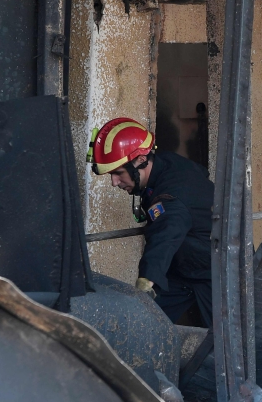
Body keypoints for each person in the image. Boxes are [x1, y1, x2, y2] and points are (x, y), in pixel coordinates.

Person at [87, 118, 214, 327]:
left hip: (215, 272)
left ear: (141, 160)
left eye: (118, 173)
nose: (114, 182)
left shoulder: (173, 198)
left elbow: (165, 235)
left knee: (226, 344)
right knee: (143, 326)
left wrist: (147, 278)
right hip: (182, 268)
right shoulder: (164, 163)